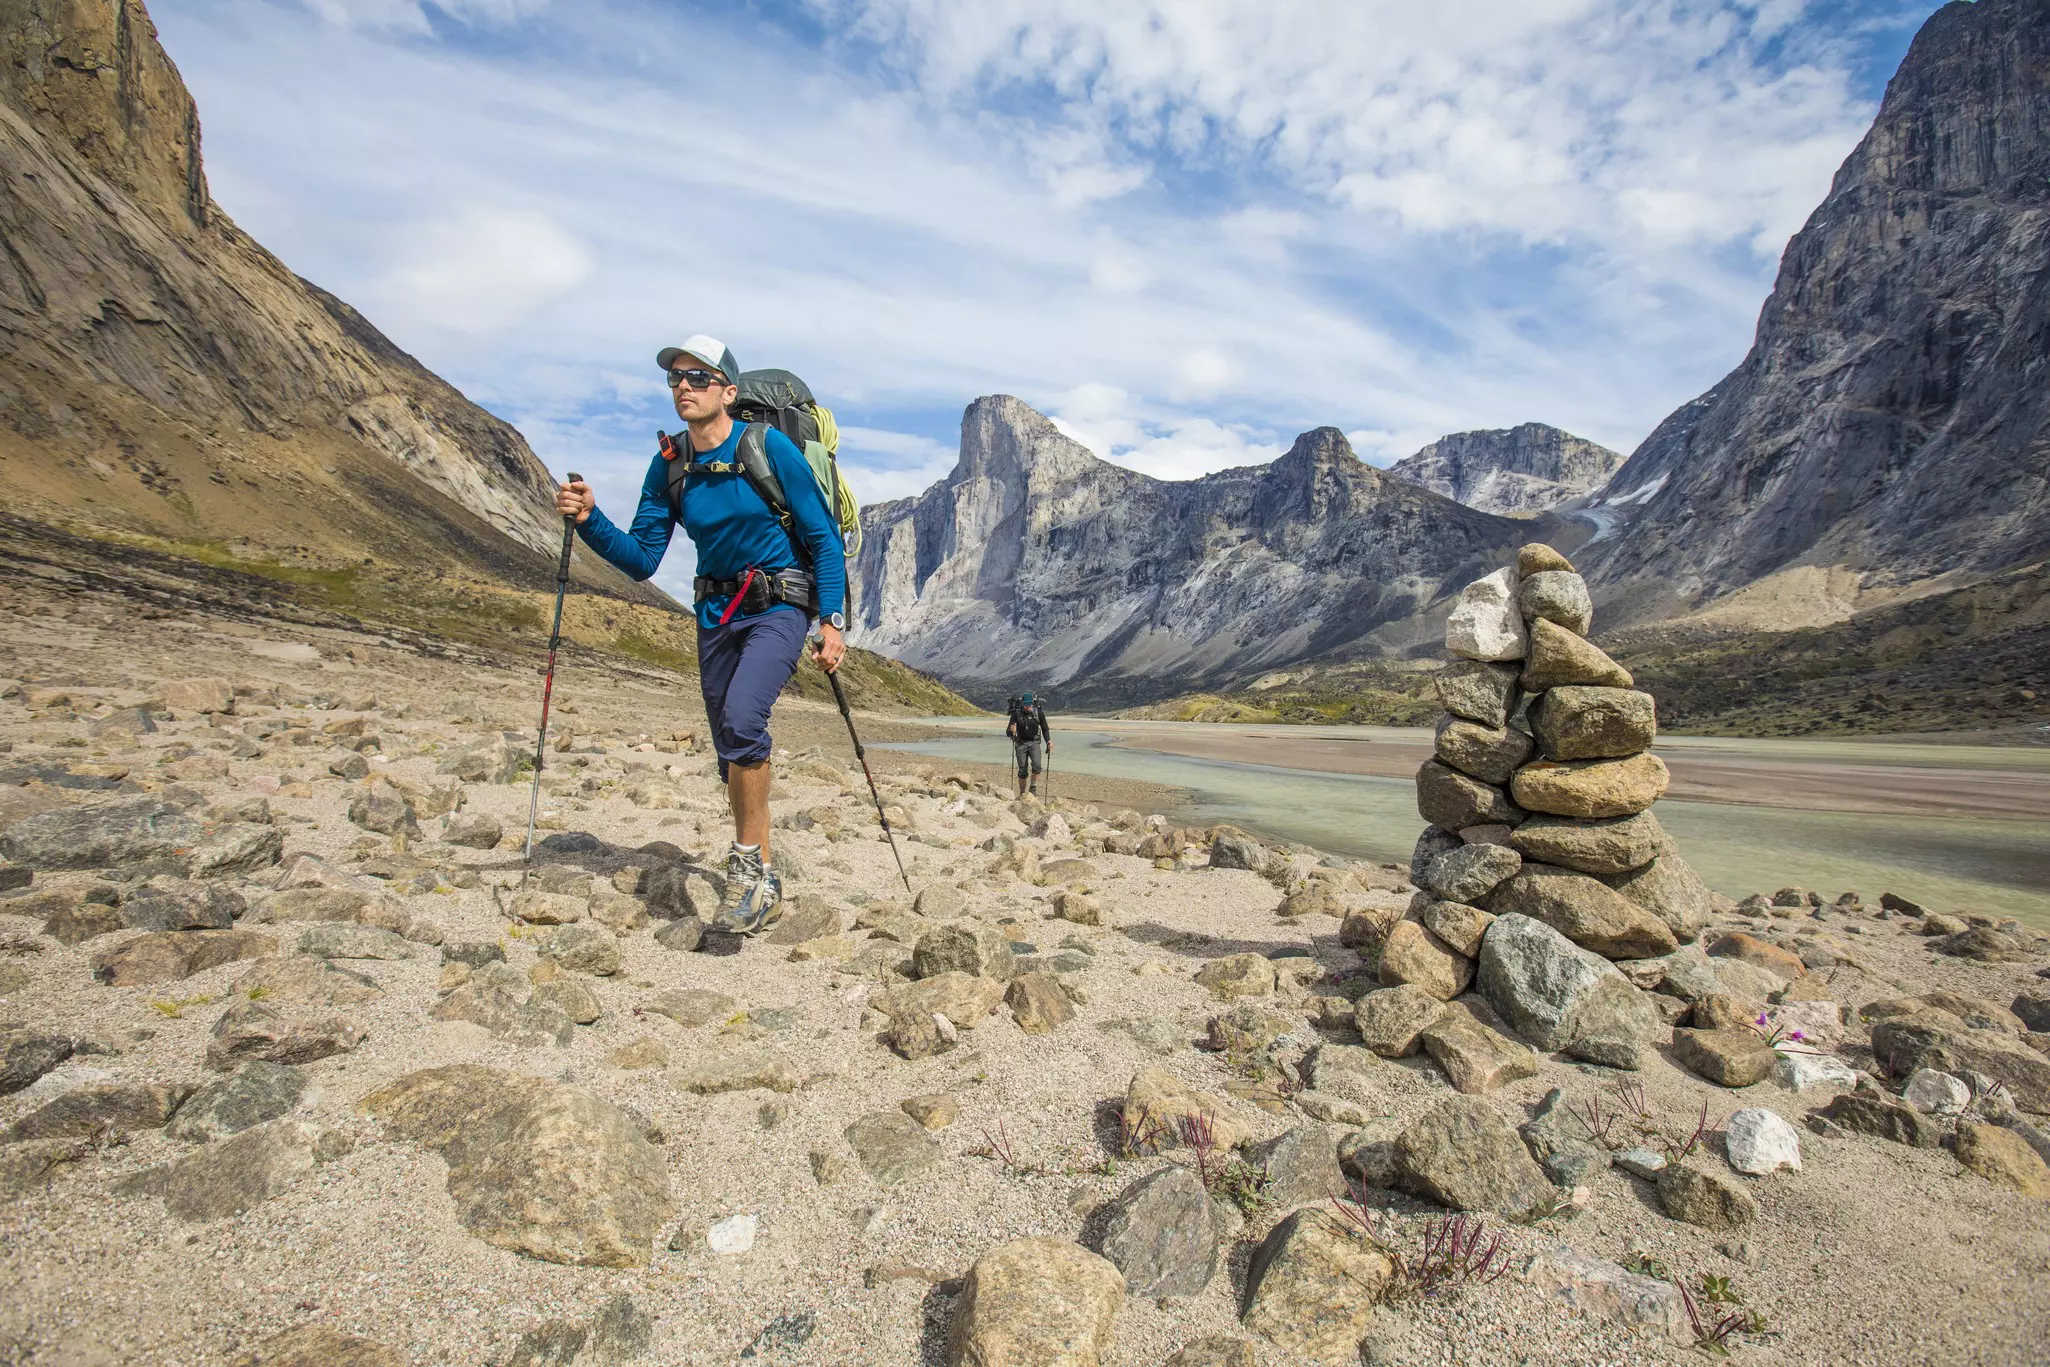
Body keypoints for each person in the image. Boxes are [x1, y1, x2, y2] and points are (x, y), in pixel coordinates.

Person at [554, 335, 847, 934]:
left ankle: (745, 869)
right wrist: (590, 520)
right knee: (729, 749)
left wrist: (832, 621)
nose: (683, 387)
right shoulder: (669, 465)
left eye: (697, 377)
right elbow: (640, 557)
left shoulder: (769, 448)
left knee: (743, 721)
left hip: (779, 607)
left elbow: (822, 539)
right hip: (715, 614)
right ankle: (763, 872)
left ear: (728, 393)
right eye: (675, 380)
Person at [1006, 690, 1051, 798]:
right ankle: (1022, 793)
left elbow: (1045, 729)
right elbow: (1008, 733)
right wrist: (1011, 730)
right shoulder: (1016, 714)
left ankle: (1033, 788)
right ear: (1022, 704)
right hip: (1020, 744)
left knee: (1037, 765)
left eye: (1029, 704)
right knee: (1022, 770)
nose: (1028, 706)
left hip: (1034, 742)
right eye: (1026, 704)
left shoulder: (1038, 713)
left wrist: (1048, 741)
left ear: (1032, 703)